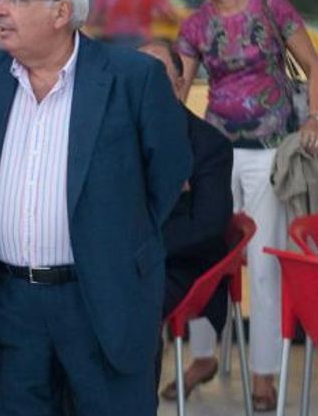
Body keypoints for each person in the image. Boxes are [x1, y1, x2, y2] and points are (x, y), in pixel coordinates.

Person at [0, 0, 192, 415]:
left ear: (62, 12)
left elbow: (167, 172)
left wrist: (114, 245)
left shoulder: (133, 78)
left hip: (102, 298)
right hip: (10, 306)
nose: (0, 8)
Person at [175, 0, 318, 411]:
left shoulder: (272, 8)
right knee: (202, 254)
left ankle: (265, 374)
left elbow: (315, 67)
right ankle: (203, 354)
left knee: (264, 264)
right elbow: (178, 91)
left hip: (269, 152)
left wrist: (315, 117)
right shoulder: (195, 26)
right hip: (216, 154)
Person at [138, 41, 233, 400]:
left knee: (131, 303)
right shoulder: (113, 137)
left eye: (155, 75)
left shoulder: (208, 145)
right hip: (120, 259)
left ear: (180, 85)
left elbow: (209, 226)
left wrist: (139, 251)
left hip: (177, 263)